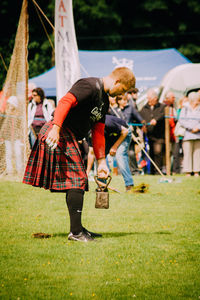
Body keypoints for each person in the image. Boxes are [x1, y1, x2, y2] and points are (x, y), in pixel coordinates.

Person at [23, 67, 136, 242]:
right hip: (59, 132)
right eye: (122, 90)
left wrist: (102, 162)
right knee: (77, 179)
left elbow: (98, 131)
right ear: (117, 82)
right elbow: (65, 102)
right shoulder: (89, 85)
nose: (121, 95)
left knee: (77, 180)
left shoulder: (104, 101)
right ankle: (75, 233)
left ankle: (78, 228)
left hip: (69, 136)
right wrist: (56, 128)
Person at [86, 114, 134, 191]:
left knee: (120, 155)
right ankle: (102, 186)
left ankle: (129, 185)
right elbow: (91, 153)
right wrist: (87, 173)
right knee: (100, 157)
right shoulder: (88, 132)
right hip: (109, 136)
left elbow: (124, 132)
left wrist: (115, 147)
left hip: (123, 133)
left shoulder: (106, 122)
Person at [140, 89, 165, 175]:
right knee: (151, 154)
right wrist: (142, 125)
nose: (148, 100)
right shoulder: (144, 107)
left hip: (159, 136)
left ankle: (158, 171)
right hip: (149, 135)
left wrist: (156, 120)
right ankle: (152, 172)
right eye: (148, 98)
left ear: (155, 98)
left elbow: (162, 115)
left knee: (158, 152)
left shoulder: (162, 107)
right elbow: (140, 117)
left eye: (150, 98)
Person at [178, 92, 200, 177]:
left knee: (197, 153)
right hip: (188, 134)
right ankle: (188, 171)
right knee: (187, 153)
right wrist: (191, 127)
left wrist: (197, 128)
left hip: (198, 134)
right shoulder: (185, 108)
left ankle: (196, 171)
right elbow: (181, 120)